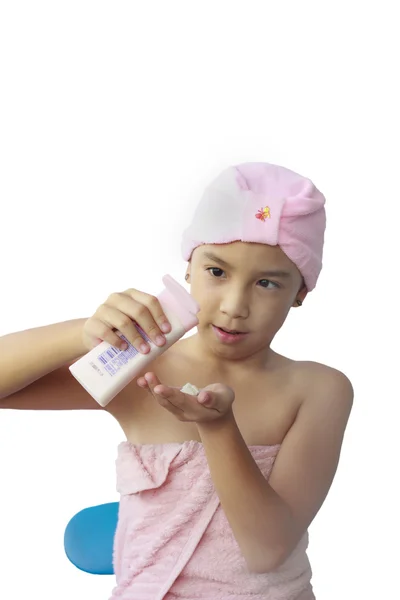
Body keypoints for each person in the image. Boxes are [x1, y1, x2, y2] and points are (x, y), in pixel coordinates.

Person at [0, 162, 354, 599]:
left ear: (300, 293)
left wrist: (218, 428)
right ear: (188, 267)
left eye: (266, 283)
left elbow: (267, 550)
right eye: (217, 272)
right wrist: (82, 332)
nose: (234, 306)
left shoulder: (318, 389)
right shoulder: (141, 367)